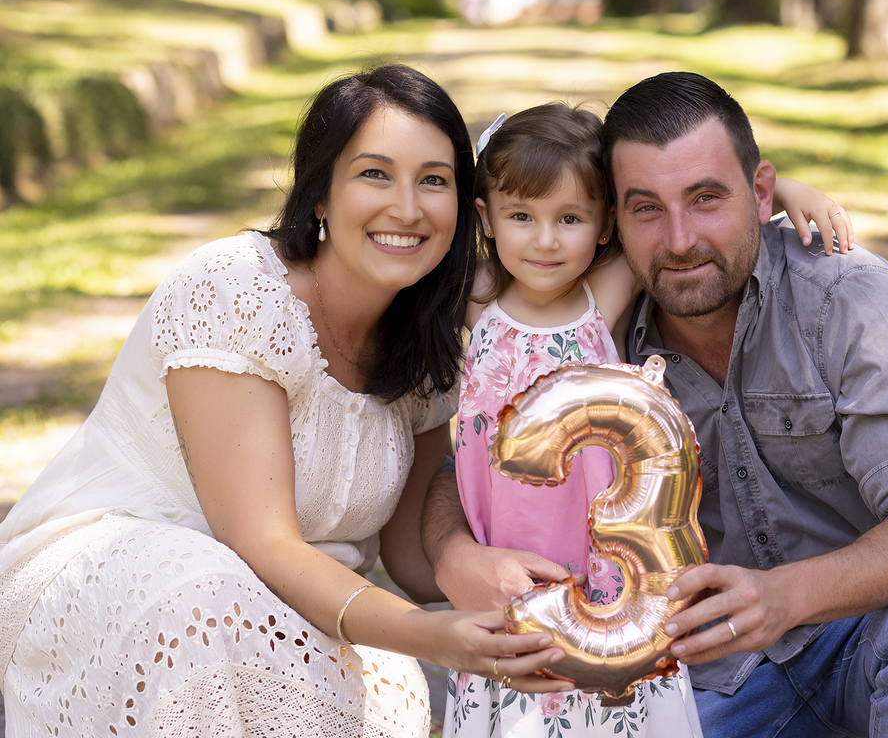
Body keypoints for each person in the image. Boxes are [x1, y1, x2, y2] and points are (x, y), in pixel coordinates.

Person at [0, 65, 572, 737]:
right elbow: (261, 543)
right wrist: (431, 635)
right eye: (375, 174)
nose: (409, 207)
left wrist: (514, 597)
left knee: (394, 686)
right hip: (127, 585)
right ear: (320, 196)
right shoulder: (236, 291)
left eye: (435, 181)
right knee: (200, 598)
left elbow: (413, 554)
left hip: (282, 613)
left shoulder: (426, 348)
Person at [603, 71, 888, 737]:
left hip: (877, 629)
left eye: (707, 198)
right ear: (611, 219)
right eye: (646, 208)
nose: (679, 240)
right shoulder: (597, 335)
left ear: (761, 192)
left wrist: (784, 597)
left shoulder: (850, 296)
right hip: (720, 671)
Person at [443, 103, 851, 738]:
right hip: (510, 551)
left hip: (598, 555)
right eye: (521, 217)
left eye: (569, 219)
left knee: (604, 685)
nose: (546, 240)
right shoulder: (476, 300)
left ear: (605, 224)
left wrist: (787, 190)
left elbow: (694, 223)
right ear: (486, 219)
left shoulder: (599, 293)